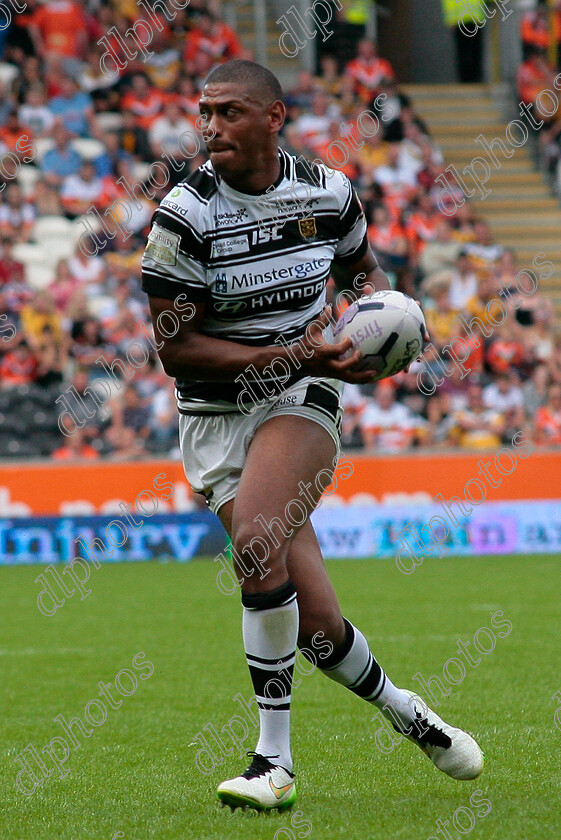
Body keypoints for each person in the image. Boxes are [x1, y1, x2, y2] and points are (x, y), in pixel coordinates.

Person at [141, 59, 483, 813]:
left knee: (258, 542)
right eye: (204, 112)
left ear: (273, 117)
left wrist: (371, 341)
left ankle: (273, 764)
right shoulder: (183, 216)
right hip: (212, 417)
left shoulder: (328, 193)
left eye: (228, 112)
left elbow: (366, 278)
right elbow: (176, 348)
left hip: (302, 396)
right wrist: (299, 348)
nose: (209, 127)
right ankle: (407, 711)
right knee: (318, 629)